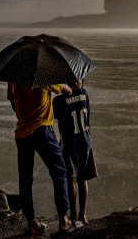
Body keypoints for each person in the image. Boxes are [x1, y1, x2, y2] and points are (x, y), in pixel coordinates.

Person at [8, 82, 76, 236]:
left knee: (25, 178)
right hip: (42, 129)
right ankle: (64, 220)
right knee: (59, 173)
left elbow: (14, 105)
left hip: (22, 133)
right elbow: (69, 91)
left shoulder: (13, 78)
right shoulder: (44, 74)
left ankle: (32, 222)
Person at [53, 80, 98, 225]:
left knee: (71, 179)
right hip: (85, 142)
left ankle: (73, 214)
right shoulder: (85, 94)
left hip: (69, 144)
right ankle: (83, 215)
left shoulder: (59, 100)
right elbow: (88, 118)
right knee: (82, 179)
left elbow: (57, 119)